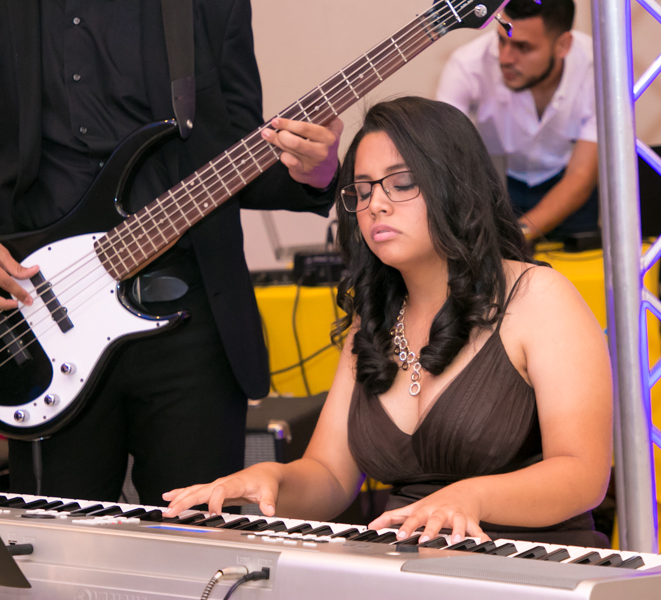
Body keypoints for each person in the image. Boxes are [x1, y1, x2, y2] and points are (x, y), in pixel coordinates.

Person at [163, 97, 613, 548]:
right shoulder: (375, 319)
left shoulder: (537, 295)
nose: (375, 204)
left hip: (530, 563)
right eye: (362, 192)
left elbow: (583, 474)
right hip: (408, 564)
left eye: (401, 184)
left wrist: (471, 498)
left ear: (456, 186)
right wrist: (271, 481)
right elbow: (329, 475)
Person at [0, 0, 342, 506]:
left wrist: (315, 173)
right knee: (55, 543)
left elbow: (236, 155)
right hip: (42, 313)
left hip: (190, 320)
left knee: (196, 537)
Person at [436, 0, 598, 243]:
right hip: (496, 182)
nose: (505, 58)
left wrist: (519, 235)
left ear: (563, 45)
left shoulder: (599, 69)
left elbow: (581, 175)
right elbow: (443, 154)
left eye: (523, 47)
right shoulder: (467, 64)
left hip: (568, 184)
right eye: (501, 40)